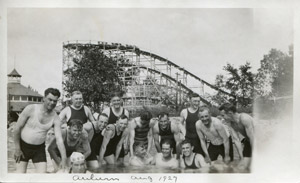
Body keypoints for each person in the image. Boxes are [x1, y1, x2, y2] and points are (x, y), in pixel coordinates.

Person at [13, 88, 67, 173]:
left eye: (55, 101)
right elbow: (17, 129)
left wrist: (64, 160)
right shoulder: (30, 109)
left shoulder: (56, 118)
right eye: (50, 99)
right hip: (23, 146)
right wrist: (17, 148)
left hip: (39, 148)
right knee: (20, 175)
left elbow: (59, 140)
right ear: (44, 98)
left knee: (42, 176)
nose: (52, 103)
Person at [219, 103, 254, 169]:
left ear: (230, 113)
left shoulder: (244, 118)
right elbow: (236, 140)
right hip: (248, 141)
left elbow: (252, 138)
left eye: (223, 115)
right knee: (243, 166)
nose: (223, 118)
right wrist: (241, 158)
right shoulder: (231, 123)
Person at [102, 91, 130, 160]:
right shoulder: (107, 111)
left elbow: (126, 128)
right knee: (110, 165)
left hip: (119, 141)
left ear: (121, 100)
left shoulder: (125, 112)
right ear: (111, 101)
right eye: (114, 100)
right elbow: (101, 125)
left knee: (120, 164)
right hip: (108, 142)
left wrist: (126, 143)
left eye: (118, 100)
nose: (116, 102)